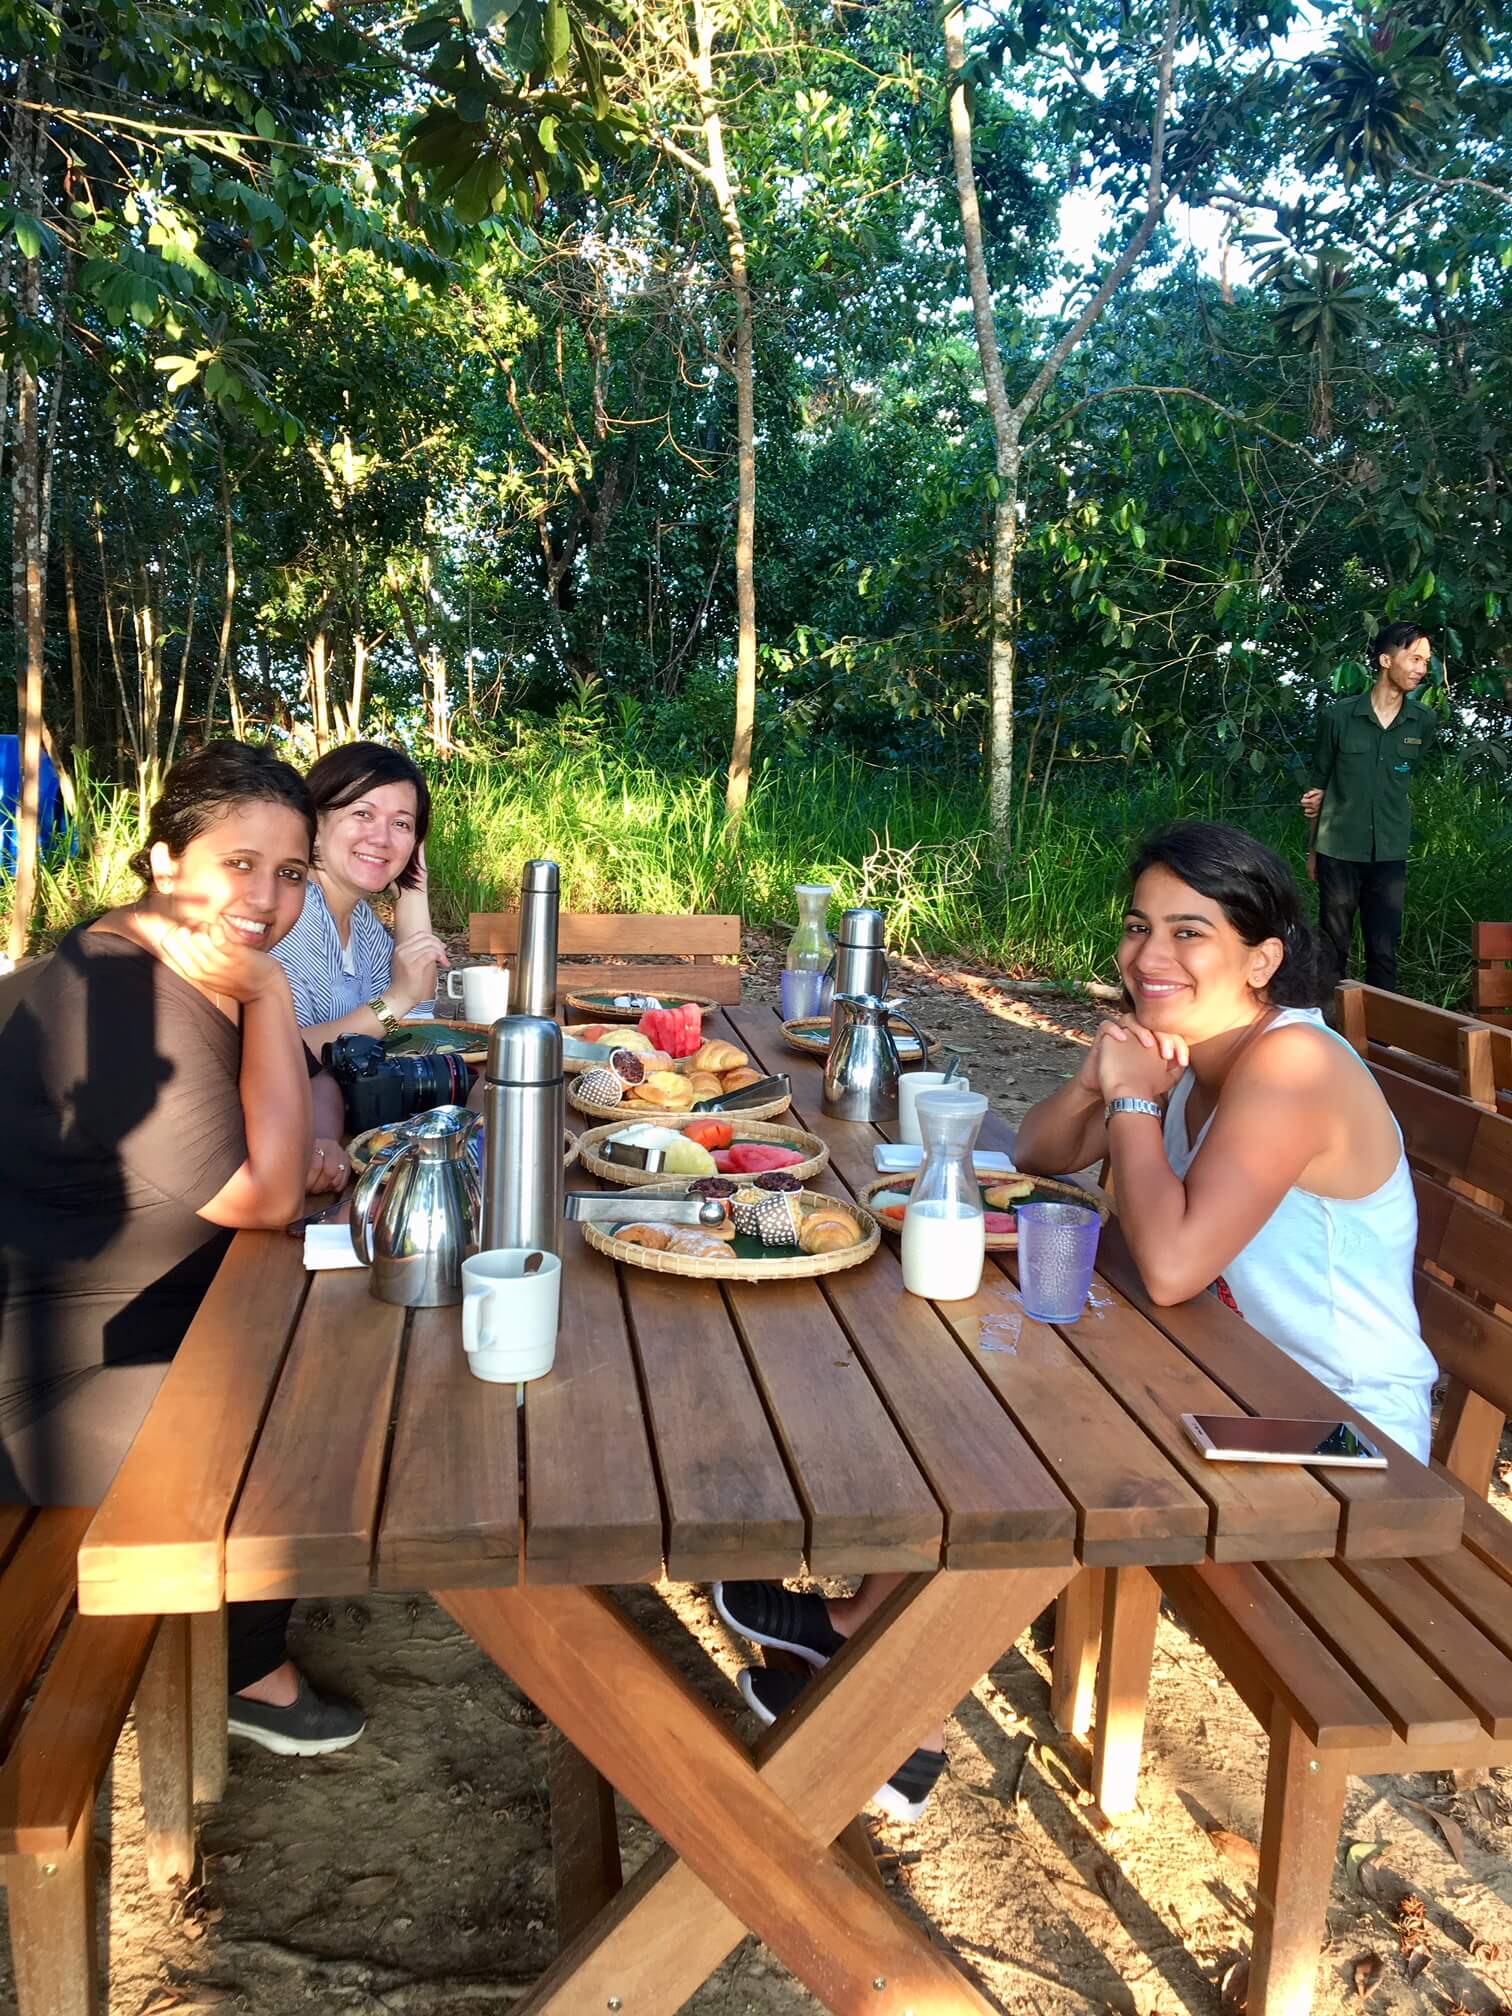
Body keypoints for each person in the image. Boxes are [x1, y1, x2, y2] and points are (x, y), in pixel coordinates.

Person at [714, 820, 1437, 1822]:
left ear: (1263, 957)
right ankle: (853, 1631)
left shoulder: (1292, 1069)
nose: (1148, 957)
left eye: (1191, 934)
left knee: (1053, 1442)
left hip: (1341, 1432)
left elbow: (1176, 1266)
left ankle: (901, 1733)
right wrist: (1108, 1079)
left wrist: (1139, 1109)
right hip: (1224, 1382)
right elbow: (1049, 1153)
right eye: (1139, 928)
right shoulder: (1195, 1048)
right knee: (1000, 1380)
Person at [0, 742, 366, 1756]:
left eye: (291, 872)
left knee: (340, 1356)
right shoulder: (117, 992)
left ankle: (243, 1636)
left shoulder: (190, 966)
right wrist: (274, 995)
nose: (267, 894)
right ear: (166, 864)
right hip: (55, 1387)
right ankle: (246, 1667)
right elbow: (262, 1191)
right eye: (237, 862)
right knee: (308, 1418)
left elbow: (293, 1108)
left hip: (162, 1321)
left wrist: (307, 1121)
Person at [271, 742, 449, 1046]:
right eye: (363, 814)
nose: (381, 838)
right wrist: (396, 999)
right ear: (314, 825)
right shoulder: (293, 913)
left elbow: (416, 1015)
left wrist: (413, 889)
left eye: (401, 823)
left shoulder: (360, 922)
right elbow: (287, 1055)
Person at [1301, 621, 1437, 992]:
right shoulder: (1339, 717)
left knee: (1384, 949)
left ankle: (1382, 1040)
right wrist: (1314, 851)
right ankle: (1330, 1033)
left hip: (1390, 851)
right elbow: (1320, 787)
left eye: (1426, 661)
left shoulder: (1423, 721)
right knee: (1333, 947)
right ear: (1385, 660)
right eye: (1414, 658)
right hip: (1338, 849)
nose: (1421, 669)